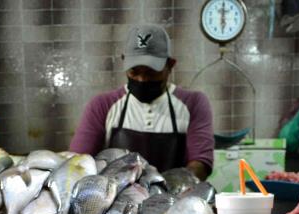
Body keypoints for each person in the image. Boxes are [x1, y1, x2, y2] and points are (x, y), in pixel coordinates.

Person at [69, 24, 214, 180]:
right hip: (118, 199)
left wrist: (167, 187)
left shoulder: (193, 103)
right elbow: (79, 162)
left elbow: (201, 164)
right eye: (135, 71)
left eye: (152, 72)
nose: (142, 79)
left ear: (170, 65)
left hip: (174, 199)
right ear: (124, 62)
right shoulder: (102, 105)